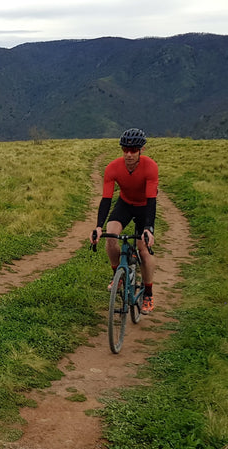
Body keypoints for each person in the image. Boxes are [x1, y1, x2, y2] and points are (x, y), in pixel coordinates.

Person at [92, 128, 158, 314]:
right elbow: (106, 199)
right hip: (125, 204)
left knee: (143, 250)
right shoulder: (113, 168)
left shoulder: (150, 166)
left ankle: (148, 294)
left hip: (144, 206)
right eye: (125, 150)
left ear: (141, 150)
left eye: (134, 150)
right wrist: (98, 226)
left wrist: (148, 228)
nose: (129, 154)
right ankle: (118, 277)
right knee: (111, 236)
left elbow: (152, 200)